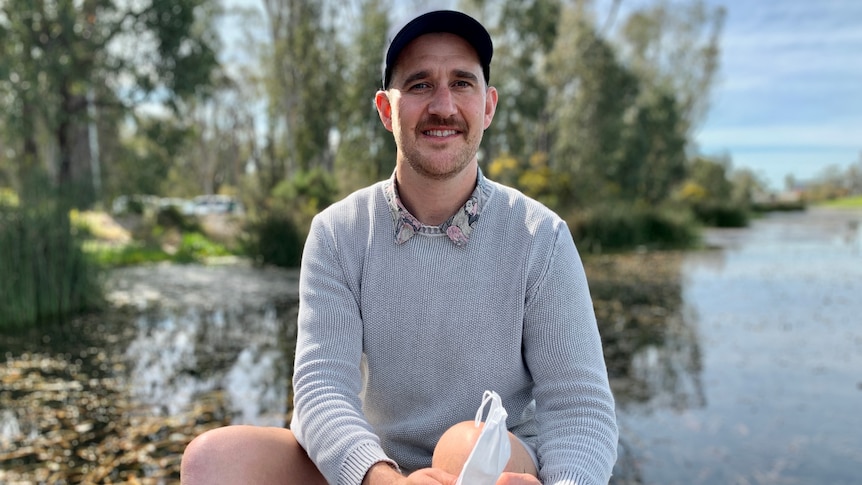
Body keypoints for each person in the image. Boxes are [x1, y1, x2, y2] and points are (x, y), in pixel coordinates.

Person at [180, 9, 618, 485]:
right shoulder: (337, 232)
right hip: (376, 467)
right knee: (212, 459)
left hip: (495, 466)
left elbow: (580, 409)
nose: (443, 105)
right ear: (387, 110)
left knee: (462, 444)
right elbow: (322, 388)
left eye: (462, 83)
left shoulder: (541, 237)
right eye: (420, 84)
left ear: (488, 106)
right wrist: (379, 477)